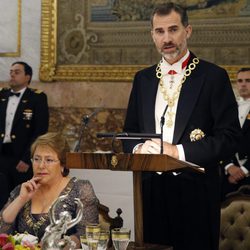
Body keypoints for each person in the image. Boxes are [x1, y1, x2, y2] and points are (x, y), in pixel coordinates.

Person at [123, 3, 241, 250]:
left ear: (187, 31)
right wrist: (139, 149)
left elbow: (230, 137)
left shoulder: (213, 76)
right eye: (160, 31)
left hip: (195, 193)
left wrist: (178, 152)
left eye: (173, 29)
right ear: (152, 35)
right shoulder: (142, 79)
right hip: (149, 192)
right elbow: (129, 133)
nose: (167, 38)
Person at [0, 132, 99, 248]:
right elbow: (2, 234)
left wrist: (53, 246)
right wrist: (21, 199)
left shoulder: (81, 189)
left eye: (49, 160)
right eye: (36, 159)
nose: (41, 165)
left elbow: (87, 235)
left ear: (63, 165)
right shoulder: (21, 190)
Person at [0, 61, 49, 205]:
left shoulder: (37, 98)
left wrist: (28, 158)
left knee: (21, 199)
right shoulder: (2, 95)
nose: (12, 75)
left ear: (27, 77)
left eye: (17, 72)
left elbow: (40, 131)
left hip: (21, 157)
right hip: (2, 154)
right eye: (11, 72)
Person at [221, 68, 250, 200]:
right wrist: (229, 165)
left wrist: (244, 170)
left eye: (248, 80)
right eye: (240, 81)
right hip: (228, 176)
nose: (243, 84)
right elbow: (221, 139)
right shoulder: (228, 108)